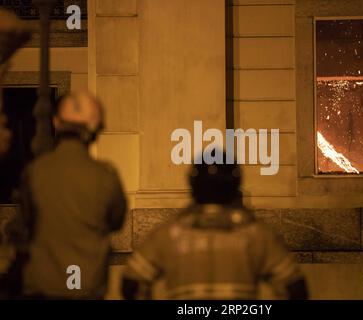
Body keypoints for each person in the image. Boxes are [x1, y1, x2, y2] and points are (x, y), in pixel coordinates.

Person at [122, 151, 308, 300]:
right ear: (235, 185)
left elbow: (132, 283)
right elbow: (294, 288)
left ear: (193, 184)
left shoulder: (170, 233)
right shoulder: (256, 234)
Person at [18, 91, 127, 299]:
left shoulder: (35, 171)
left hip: (42, 286)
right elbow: (116, 221)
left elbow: (27, 219)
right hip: (85, 285)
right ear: (94, 130)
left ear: (57, 123)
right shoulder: (106, 176)